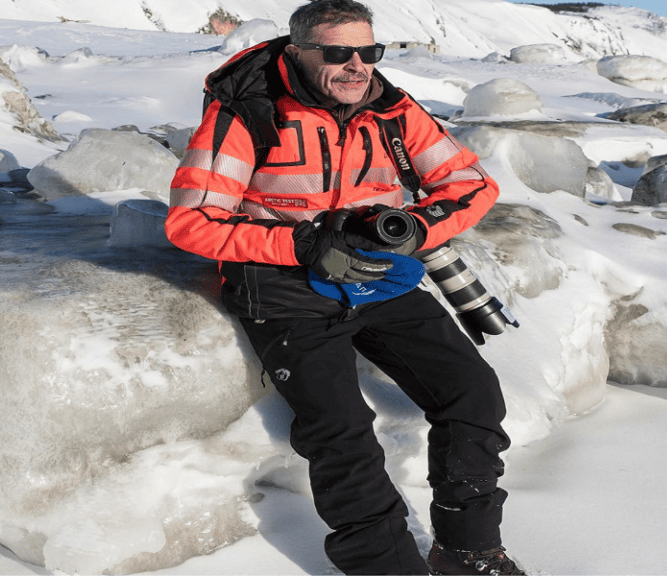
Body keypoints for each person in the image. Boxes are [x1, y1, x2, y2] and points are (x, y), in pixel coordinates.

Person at [164, 1, 525, 575]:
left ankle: (467, 549)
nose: (357, 66)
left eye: (368, 52)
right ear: (298, 51)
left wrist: (417, 230)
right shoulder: (246, 115)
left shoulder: (392, 110)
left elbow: (471, 184)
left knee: (473, 395)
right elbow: (190, 223)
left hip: (383, 282)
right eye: (338, 53)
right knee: (343, 434)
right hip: (285, 291)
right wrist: (303, 245)